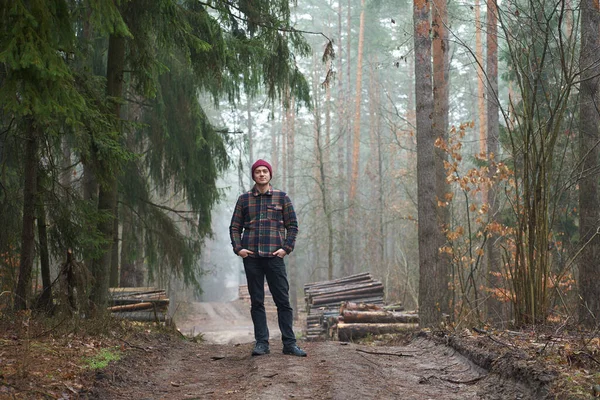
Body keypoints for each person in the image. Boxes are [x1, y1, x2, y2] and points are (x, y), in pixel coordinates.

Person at [229, 159, 307, 357]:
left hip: (274, 257)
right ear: (254, 175)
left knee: (283, 301)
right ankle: (261, 343)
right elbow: (235, 227)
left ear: (270, 175)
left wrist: (286, 249)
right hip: (252, 257)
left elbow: (293, 226)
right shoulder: (244, 199)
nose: (262, 174)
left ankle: (289, 343)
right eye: (258, 172)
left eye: (265, 171)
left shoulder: (282, 198)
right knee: (257, 301)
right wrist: (239, 249)